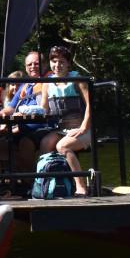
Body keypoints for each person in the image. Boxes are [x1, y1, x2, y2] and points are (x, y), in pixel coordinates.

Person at [38, 44, 93, 195]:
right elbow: (44, 109)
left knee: (62, 146)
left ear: (68, 63)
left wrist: (84, 127)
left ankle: (81, 186)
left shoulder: (77, 79)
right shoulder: (47, 83)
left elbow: (91, 104)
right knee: (45, 143)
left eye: (61, 61)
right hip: (60, 129)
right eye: (54, 61)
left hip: (82, 128)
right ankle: (49, 185)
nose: (57, 65)